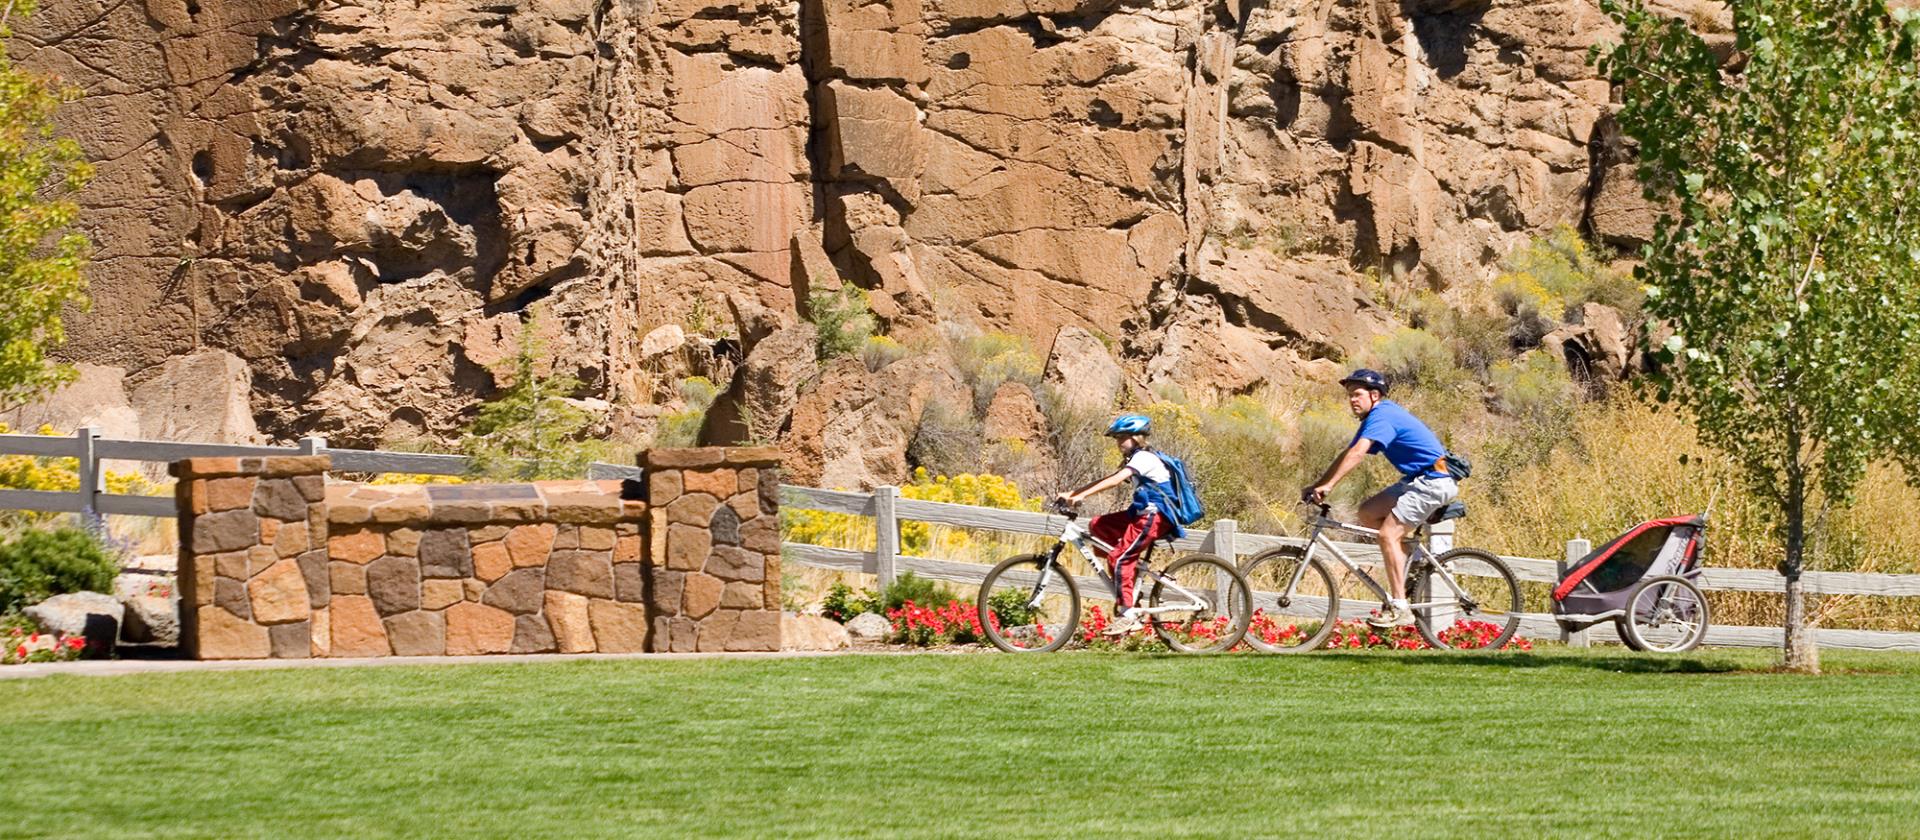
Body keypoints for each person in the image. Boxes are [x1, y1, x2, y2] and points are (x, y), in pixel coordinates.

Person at [1301, 369, 1457, 629]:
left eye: (1357, 394)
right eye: (1350, 395)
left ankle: (1400, 606)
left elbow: (1358, 454)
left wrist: (1328, 486)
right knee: (1368, 512)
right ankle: (1405, 563)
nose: (1352, 400)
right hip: (1418, 480)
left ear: (1375, 395)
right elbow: (1347, 454)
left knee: (1387, 535)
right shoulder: (1375, 417)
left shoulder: (1382, 415)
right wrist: (1318, 485)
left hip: (1433, 481)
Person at [1055, 414, 1178, 636]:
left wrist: (1082, 497)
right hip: (1140, 514)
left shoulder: (1144, 458)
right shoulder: (1135, 459)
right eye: (1117, 438)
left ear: (1137, 437)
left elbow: (1113, 481)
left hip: (1154, 516)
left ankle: (1128, 613)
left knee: (1119, 558)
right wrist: (1074, 493)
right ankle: (1128, 575)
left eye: (1123, 437)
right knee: (1098, 525)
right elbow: (1109, 478)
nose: (1119, 442)